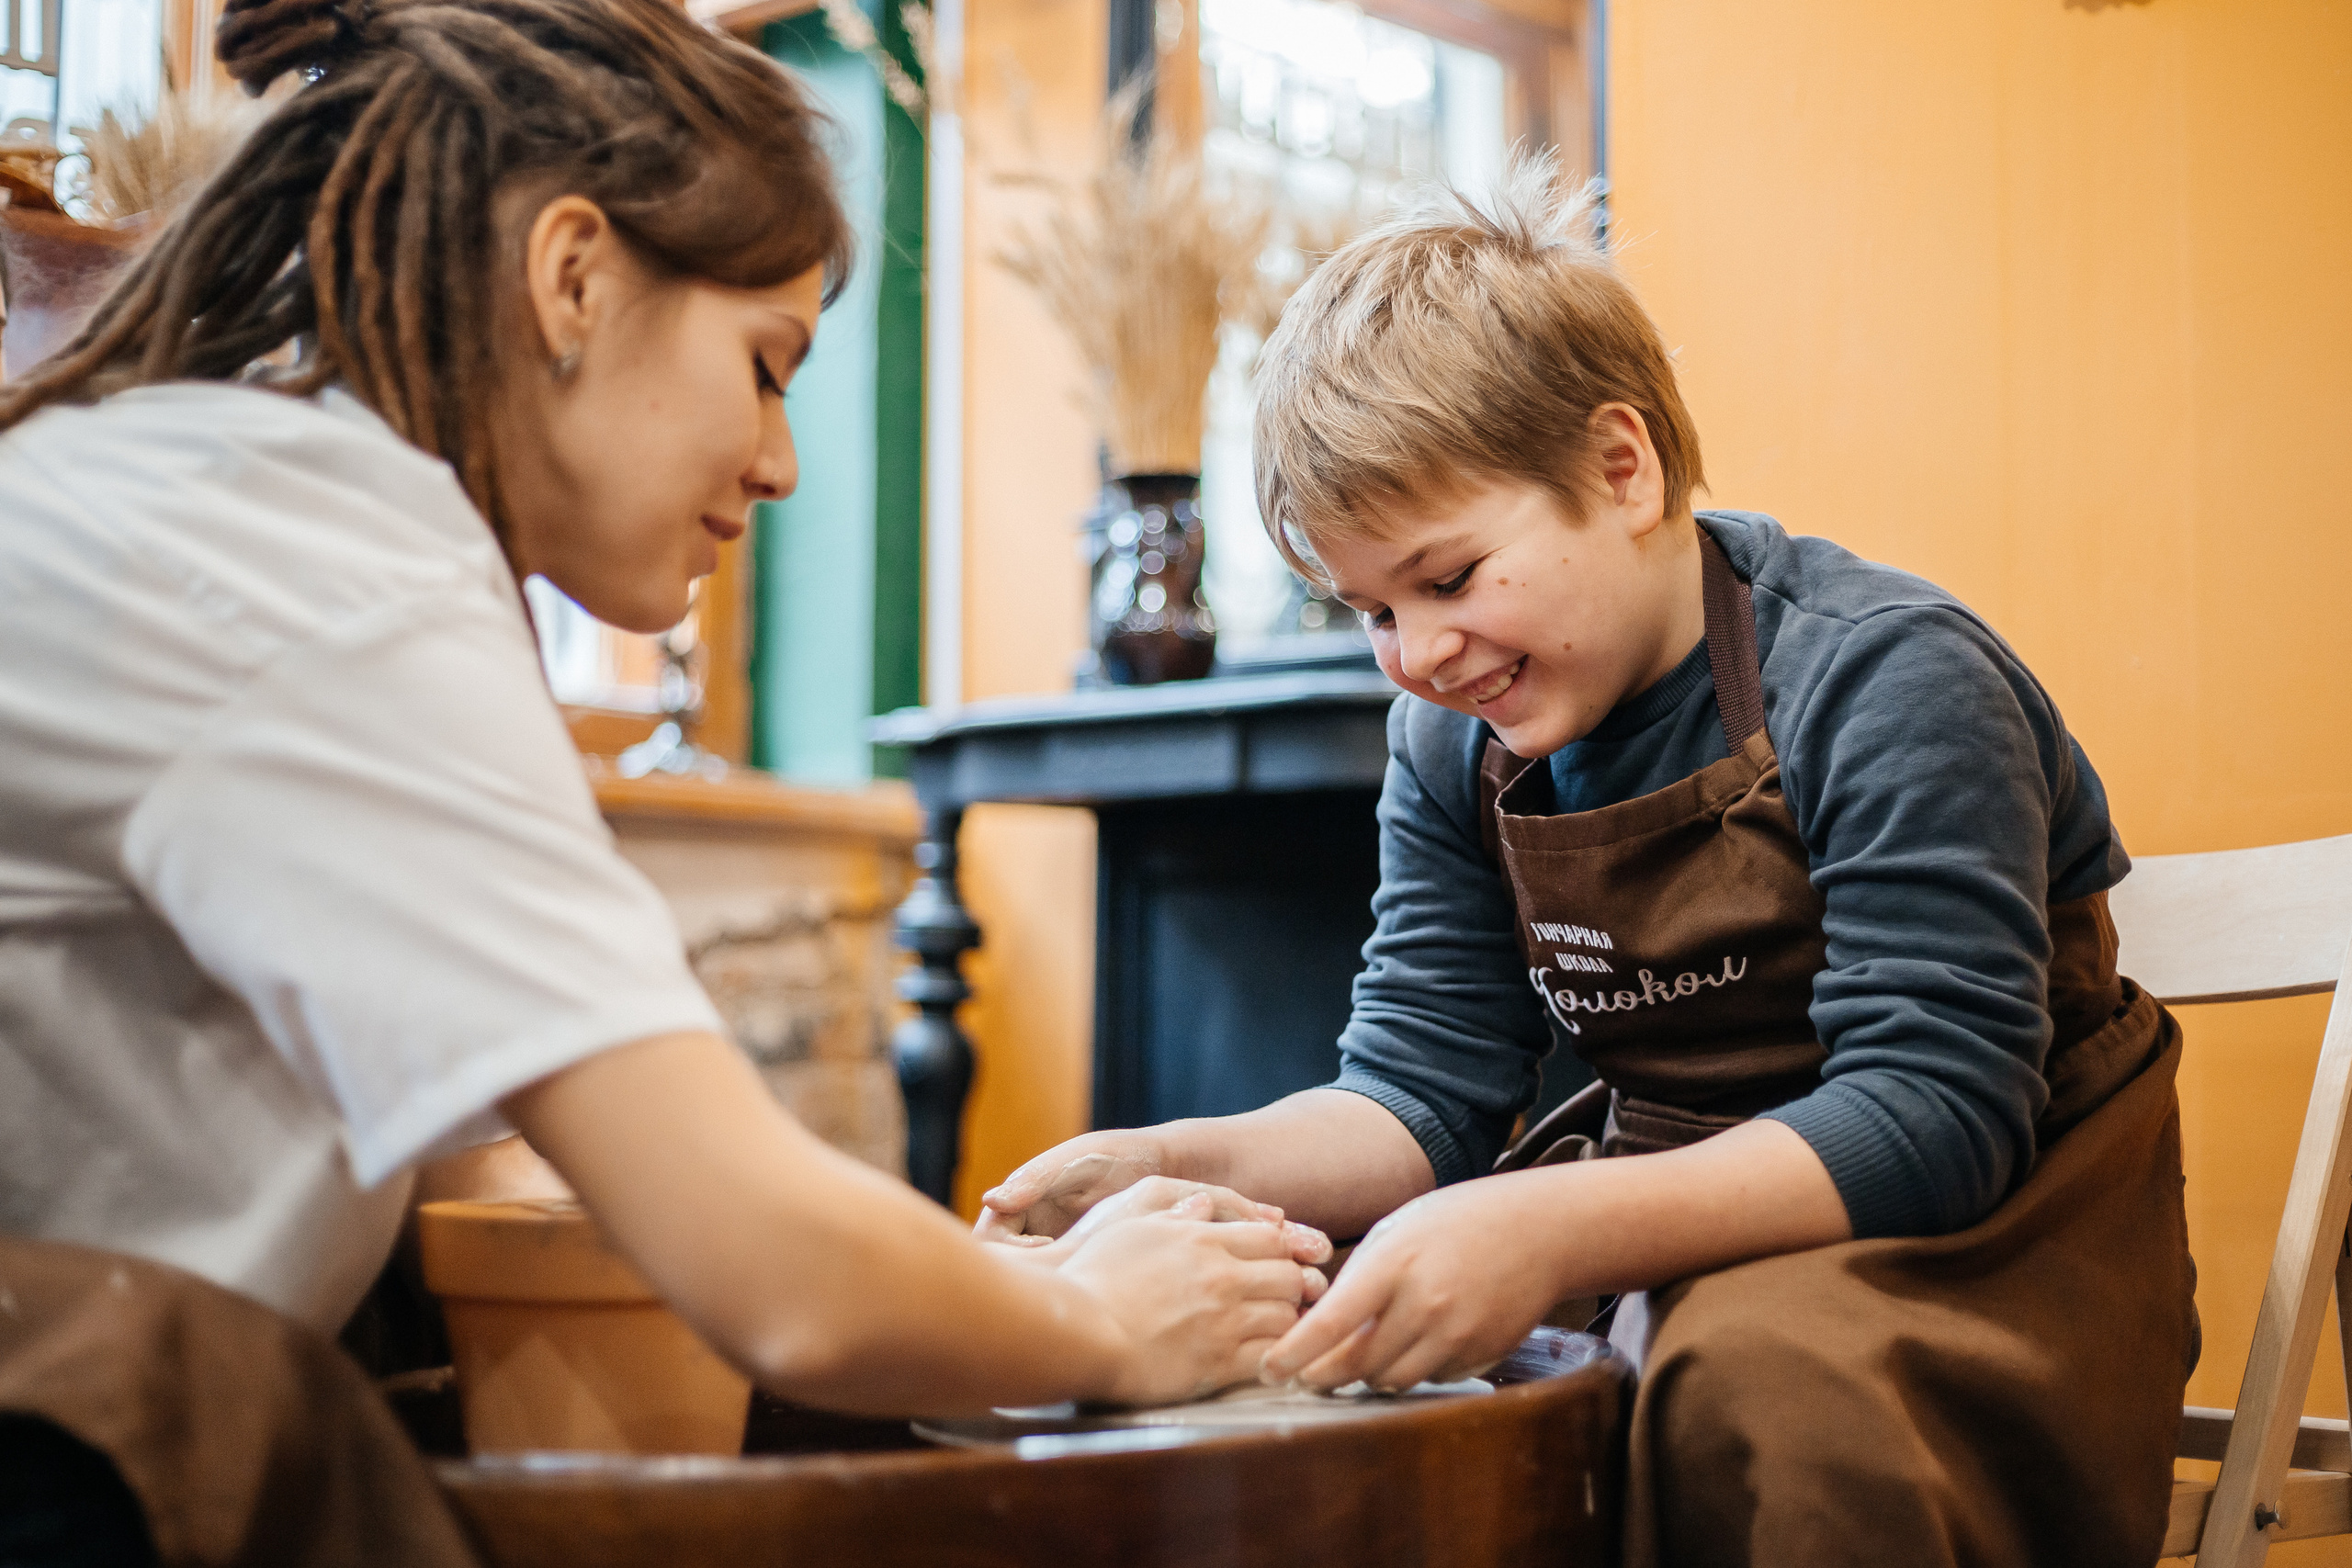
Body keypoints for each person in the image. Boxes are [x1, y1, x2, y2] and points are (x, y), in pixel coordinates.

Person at [0, 0, 1328, 1446]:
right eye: (764, 365)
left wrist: (974, 1273)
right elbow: (779, 1288)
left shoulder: (279, 507)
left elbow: (522, 1165)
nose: (782, 465)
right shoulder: (310, 574)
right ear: (571, 276)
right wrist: (1103, 1322)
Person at [978, 159, 2196, 1567]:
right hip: (1667, 1229)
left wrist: (1545, 1227)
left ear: (1623, 470)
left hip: (1992, 1247)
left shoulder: (1887, 680)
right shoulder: (1455, 742)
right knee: (1351, 1387)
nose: (1419, 654)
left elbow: (1935, 1117)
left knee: (1751, 1386)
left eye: (1447, 577)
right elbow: (1418, 1095)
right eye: (1371, 608)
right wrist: (1185, 1154)